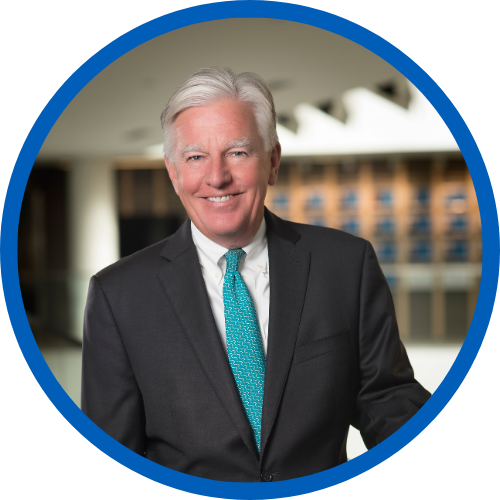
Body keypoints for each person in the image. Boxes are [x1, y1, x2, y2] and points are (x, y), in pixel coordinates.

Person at [81, 67, 431, 482]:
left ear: (273, 162)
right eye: (195, 157)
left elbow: (386, 399)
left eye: (237, 152)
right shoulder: (118, 295)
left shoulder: (345, 264)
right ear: (174, 172)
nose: (217, 177)